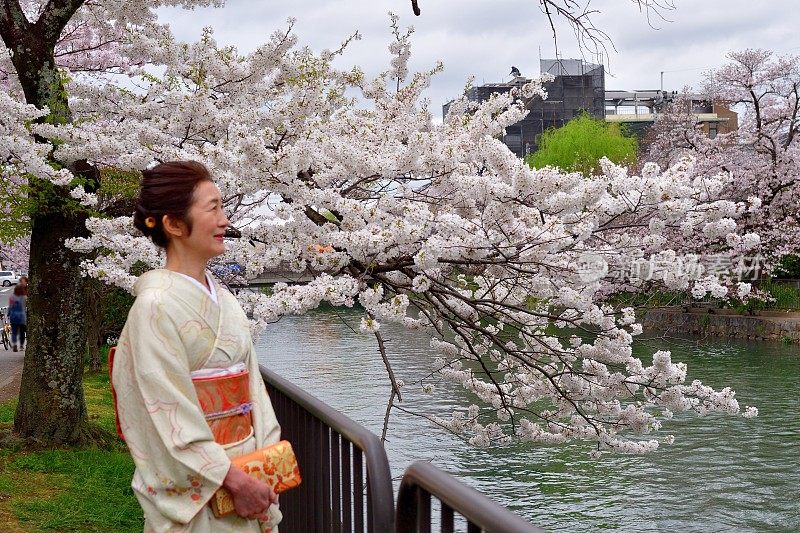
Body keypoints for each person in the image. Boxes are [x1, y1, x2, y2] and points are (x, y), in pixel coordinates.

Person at [112, 161, 282, 532]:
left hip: (250, 468)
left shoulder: (226, 300)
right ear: (174, 224)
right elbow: (164, 415)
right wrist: (233, 481)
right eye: (213, 208)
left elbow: (254, 390)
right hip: (205, 484)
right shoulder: (154, 307)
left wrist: (263, 468)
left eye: (223, 206)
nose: (225, 220)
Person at [8, 283, 26, 351]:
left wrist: (9, 314)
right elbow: (24, 307)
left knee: (14, 332)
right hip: (22, 316)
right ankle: (21, 346)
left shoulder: (12, 297)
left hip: (14, 316)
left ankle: (15, 344)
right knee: (22, 332)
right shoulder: (24, 297)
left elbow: (10, 307)